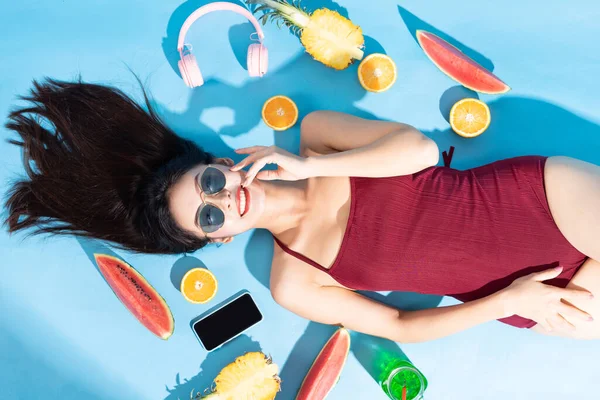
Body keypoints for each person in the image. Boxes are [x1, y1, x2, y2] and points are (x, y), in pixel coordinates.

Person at [4, 79, 599, 343]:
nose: (223, 201)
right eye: (210, 218)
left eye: (210, 183)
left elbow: (417, 151)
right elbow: (399, 328)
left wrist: (312, 168)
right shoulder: (294, 280)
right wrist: (511, 302)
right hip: (521, 293)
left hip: (539, 202)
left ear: (222, 162)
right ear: (218, 240)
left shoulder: (316, 137)